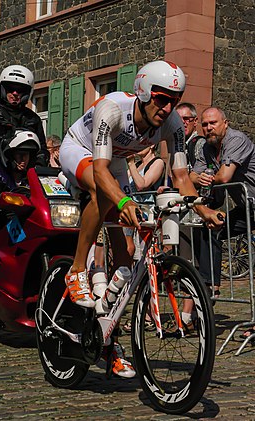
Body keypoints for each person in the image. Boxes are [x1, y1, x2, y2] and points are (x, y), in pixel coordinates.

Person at [60, 60, 224, 378]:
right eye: (160, 98)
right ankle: (76, 270)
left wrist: (202, 209)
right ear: (144, 92)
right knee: (106, 194)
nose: (166, 108)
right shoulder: (112, 110)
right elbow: (99, 169)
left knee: (127, 259)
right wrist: (122, 200)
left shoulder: (173, 124)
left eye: (173, 101)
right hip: (82, 151)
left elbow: (180, 174)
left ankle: (109, 340)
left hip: (116, 162)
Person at [190, 107, 255, 334]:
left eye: (213, 123)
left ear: (225, 123)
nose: (209, 128)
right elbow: (191, 177)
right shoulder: (206, 148)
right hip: (248, 208)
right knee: (211, 228)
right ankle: (211, 288)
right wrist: (199, 177)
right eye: (205, 124)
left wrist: (203, 178)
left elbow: (224, 176)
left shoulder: (236, 139)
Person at [0, 64, 49, 250]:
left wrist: (37, 171)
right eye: (10, 88)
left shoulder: (32, 119)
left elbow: (41, 151)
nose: (15, 93)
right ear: (2, 88)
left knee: (28, 230)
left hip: (18, 181)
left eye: (20, 90)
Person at [0, 130, 41, 312]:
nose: (23, 160)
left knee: (33, 247)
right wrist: (0, 200)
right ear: (9, 155)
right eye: (19, 155)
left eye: (26, 156)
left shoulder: (33, 175)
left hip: (20, 223)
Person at [175, 102, 206, 171]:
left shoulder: (201, 144)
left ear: (195, 121)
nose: (182, 122)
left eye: (186, 119)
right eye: (178, 119)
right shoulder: (177, 146)